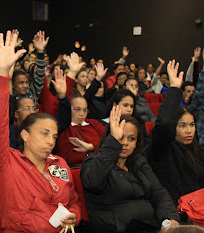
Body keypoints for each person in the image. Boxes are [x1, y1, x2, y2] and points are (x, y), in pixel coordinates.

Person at [0, 30, 81, 233]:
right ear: (25, 135)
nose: (51, 141)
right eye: (44, 134)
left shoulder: (60, 163)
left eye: (54, 136)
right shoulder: (6, 162)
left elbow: (74, 201)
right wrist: (2, 75)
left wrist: (74, 216)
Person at [80, 105, 180, 233]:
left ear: (137, 143)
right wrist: (113, 142)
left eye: (131, 138)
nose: (125, 142)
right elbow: (92, 182)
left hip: (149, 226)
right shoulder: (94, 162)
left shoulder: (139, 162)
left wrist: (170, 218)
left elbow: (158, 193)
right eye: (120, 137)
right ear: (110, 137)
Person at [147, 60, 204, 205]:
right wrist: (174, 89)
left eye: (191, 125)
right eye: (182, 125)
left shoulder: (197, 149)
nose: (189, 130)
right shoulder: (162, 147)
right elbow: (165, 124)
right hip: (175, 211)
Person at [11, 69, 71, 149]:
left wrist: (62, 96)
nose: (31, 112)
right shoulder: (11, 131)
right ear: (16, 114)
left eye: (34, 108)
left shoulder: (43, 126)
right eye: (27, 108)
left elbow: (63, 121)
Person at [8, 30, 48, 124]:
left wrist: (40, 51)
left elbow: (40, 74)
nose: (25, 85)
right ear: (12, 85)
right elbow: (6, 74)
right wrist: (10, 50)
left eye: (26, 82)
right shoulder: (10, 97)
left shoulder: (32, 93)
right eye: (21, 83)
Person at [56, 94, 105, 167]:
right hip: (76, 169)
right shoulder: (63, 128)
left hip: (100, 166)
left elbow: (108, 141)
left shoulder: (93, 123)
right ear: (68, 108)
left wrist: (90, 146)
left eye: (85, 110)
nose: (82, 114)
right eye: (77, 109)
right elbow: (67, 156)